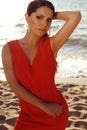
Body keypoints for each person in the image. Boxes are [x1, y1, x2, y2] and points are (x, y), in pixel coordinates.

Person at [2, 0, 81, 130]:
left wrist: (50, 14)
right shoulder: (8, 49)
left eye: (49, 20)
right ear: (27, 17)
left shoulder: (51, 45)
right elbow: (14, 85)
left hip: (54, 112)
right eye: (39, 17)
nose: (44, 24)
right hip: (28, 115)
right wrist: (43, 106)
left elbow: (75, 16)